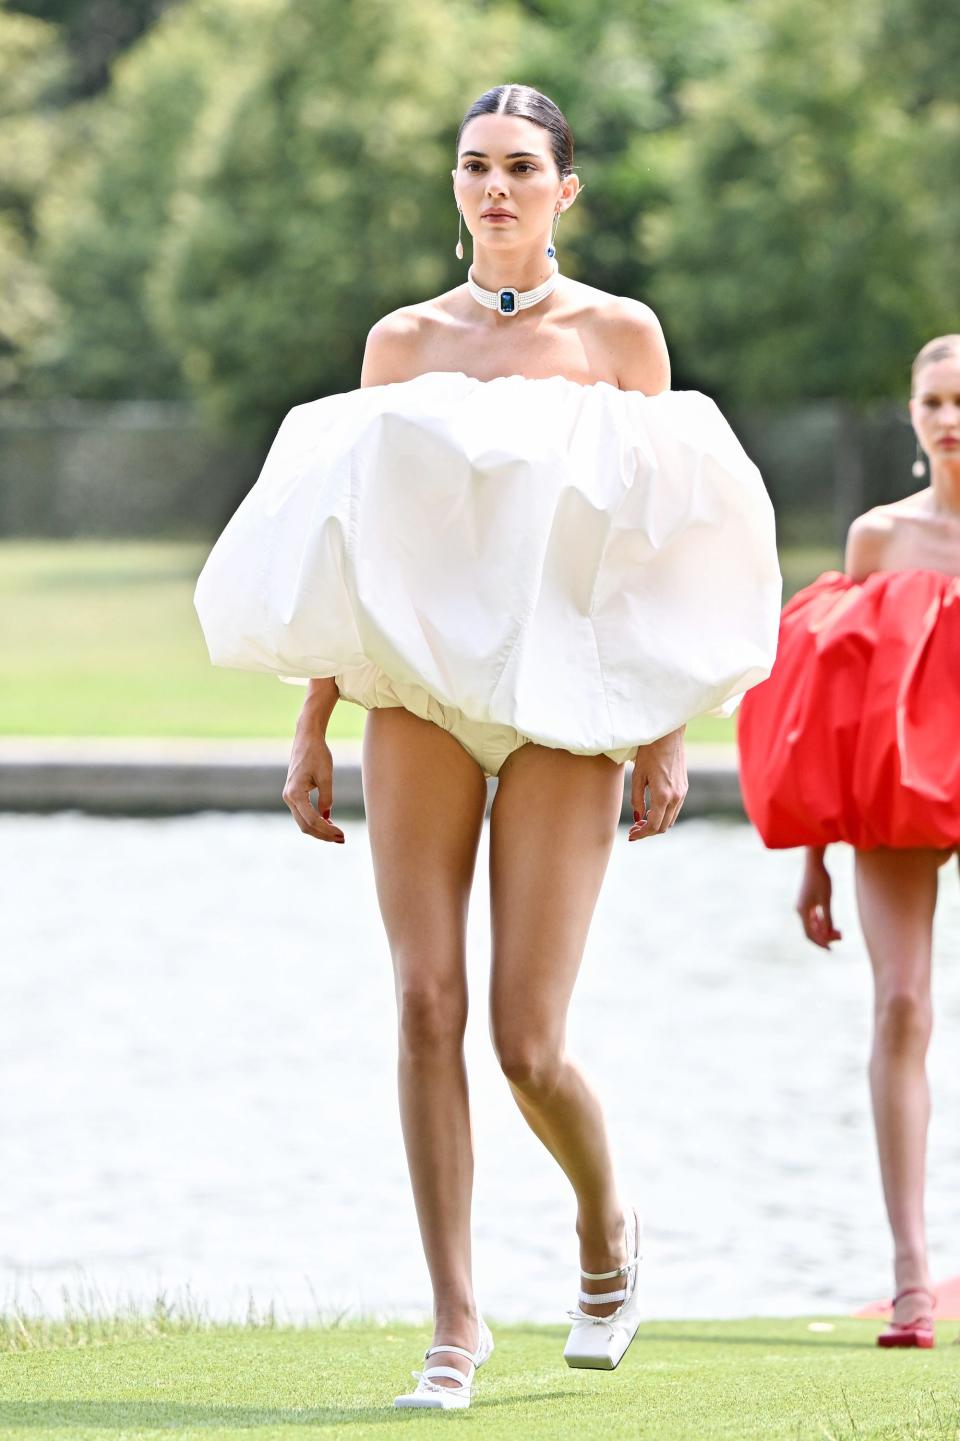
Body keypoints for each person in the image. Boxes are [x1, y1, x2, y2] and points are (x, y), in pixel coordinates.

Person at [196, 83, 780, 1406]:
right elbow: (354, 545)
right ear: (454, 185)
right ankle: (454, 1327)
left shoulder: (622, 338)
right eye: (475, 165)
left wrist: (664, 727)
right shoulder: (400, 343)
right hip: (418, 696)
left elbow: (664, 548)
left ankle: (604, 1225)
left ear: (566, 189)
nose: (497, 187)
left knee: (526, 1037)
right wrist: (312, 717)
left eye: (522, 166)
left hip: (573, 703)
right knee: (421, 1002)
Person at [738, 334, 960, 1350]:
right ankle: (912, 1273)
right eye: (934, 401)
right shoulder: (880, 540)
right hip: (900, 794)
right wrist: (814, 857)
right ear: (912, 415)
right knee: (901, 1001)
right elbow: (837, 701)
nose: (950, 418)